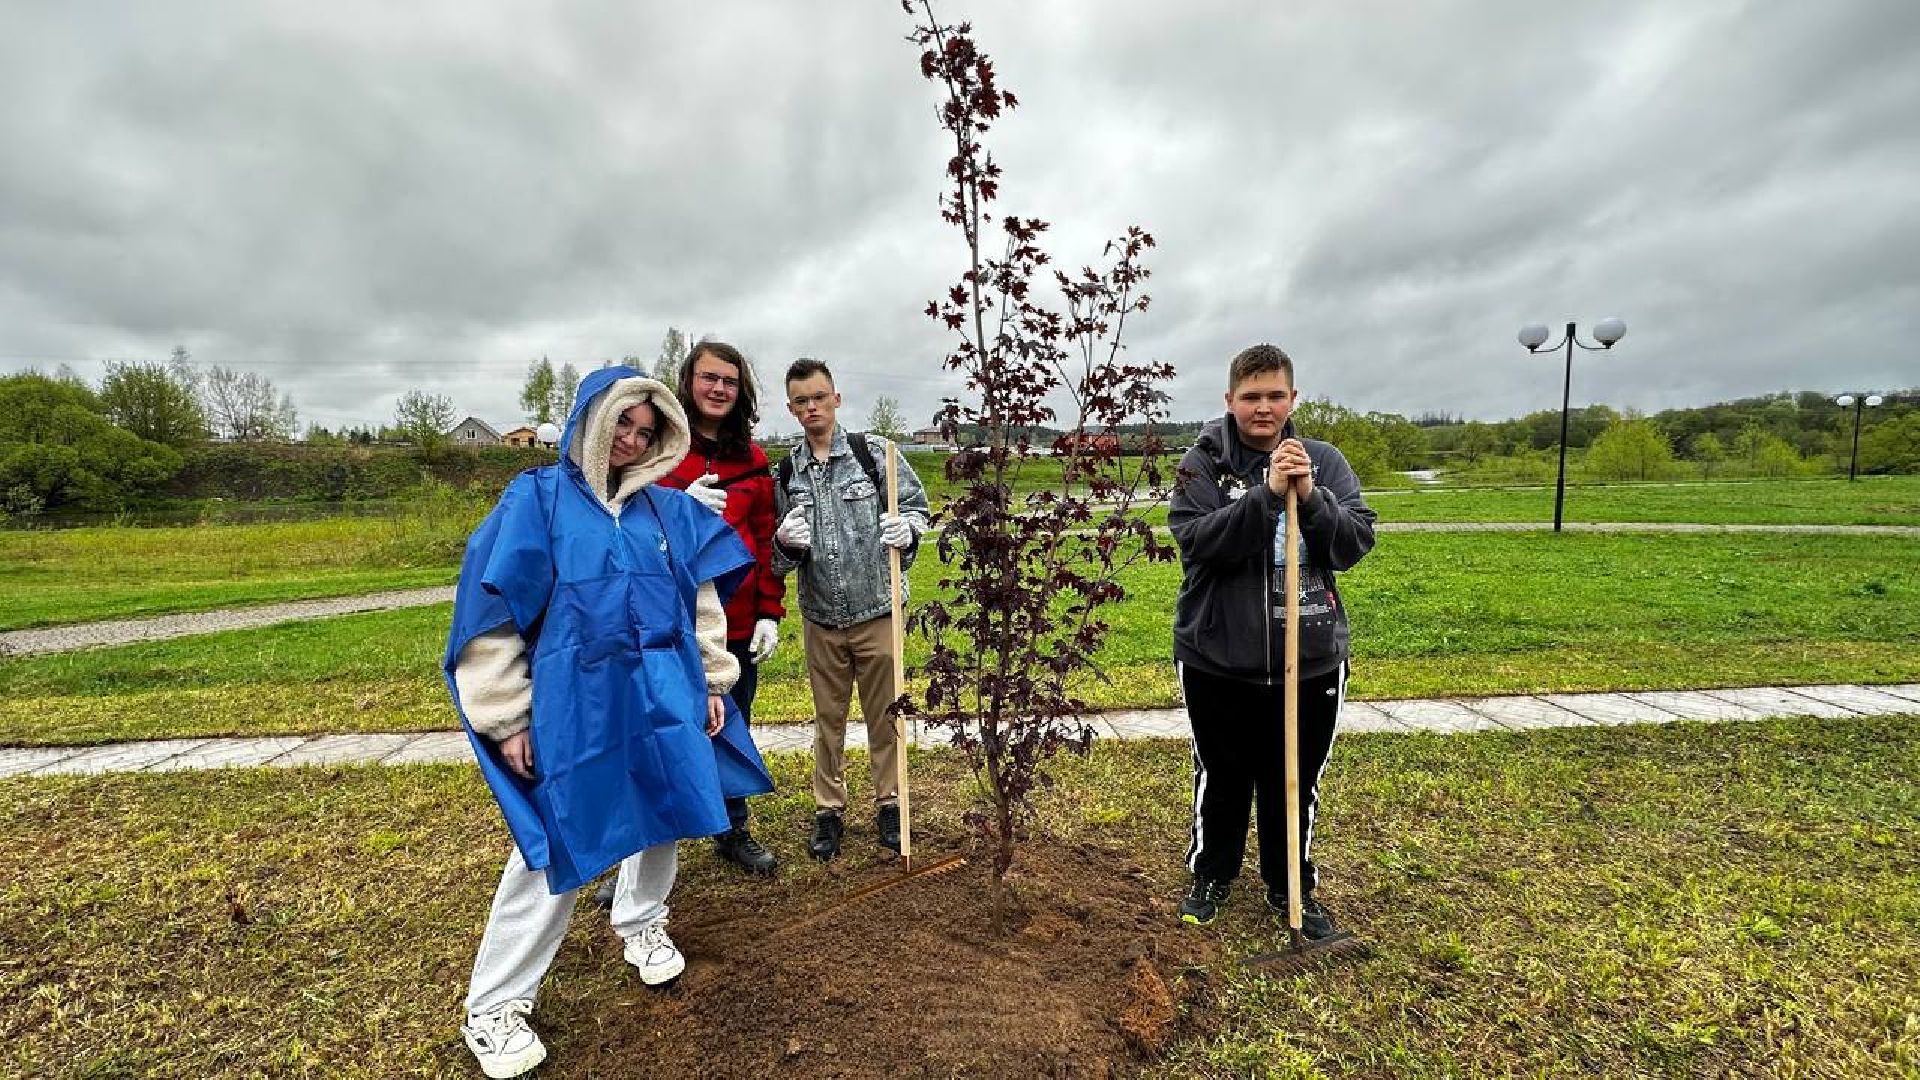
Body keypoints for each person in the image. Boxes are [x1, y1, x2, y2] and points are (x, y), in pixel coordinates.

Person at [445, 366, 773, 1079]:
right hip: (575, 708)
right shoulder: (536, 502)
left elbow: (704, 602)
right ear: (592, 419)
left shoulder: (666, 511)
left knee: (667, 811)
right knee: (559, 841)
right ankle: (495, 1005)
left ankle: (641, 921)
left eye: (646, 432)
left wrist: (713, 681)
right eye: (622, 422)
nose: (630, 439)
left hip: (663, 697)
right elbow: (491, 618)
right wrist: (506, 718)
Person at [1167, 343, 1376, 937]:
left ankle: (1291, 884)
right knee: (1223, 772)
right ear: (1230, 400)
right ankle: (1212, 871)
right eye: (1251, 397)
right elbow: (1198, 540)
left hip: (1308, 655)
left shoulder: (1325, 461)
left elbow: (1353, 543)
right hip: (1218, 654)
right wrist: (1264, 496)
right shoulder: (1203, 463)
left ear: (1292, 399)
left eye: (1275, 395)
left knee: (1296, 774)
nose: (1264, 407)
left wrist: (1309, 495)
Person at [770, 358, 929, 862]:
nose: (812, 406)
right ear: (792, 409)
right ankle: (828, 812)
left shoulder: (875, 455)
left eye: (820, 396)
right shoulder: (786, 472)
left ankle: (890, 803)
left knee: (887, 717)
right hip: (821, 618)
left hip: (877, 611)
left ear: (836, 398)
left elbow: (917, 507)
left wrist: (912, 531)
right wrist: (784, 544)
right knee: (828, 720)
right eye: (802, 400)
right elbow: (776, 558)